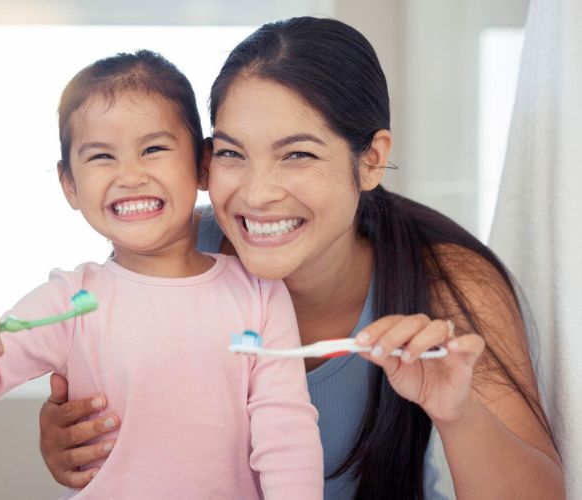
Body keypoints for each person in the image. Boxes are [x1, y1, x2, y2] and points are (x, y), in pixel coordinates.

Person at [38, 17, 565, 500]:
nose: (257, 193)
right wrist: (72, 436)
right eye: (231, 153)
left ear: (372, 160)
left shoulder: (450, 282)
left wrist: (459, 414)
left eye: (298, 154)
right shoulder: (174, 253)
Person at [0, 50, 324, 499]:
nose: (130, 175)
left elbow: (286, 430)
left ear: (203, 164)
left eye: (153, 149)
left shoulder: (259, 293)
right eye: (101, 156)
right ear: (69, 184)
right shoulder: (70, 303)